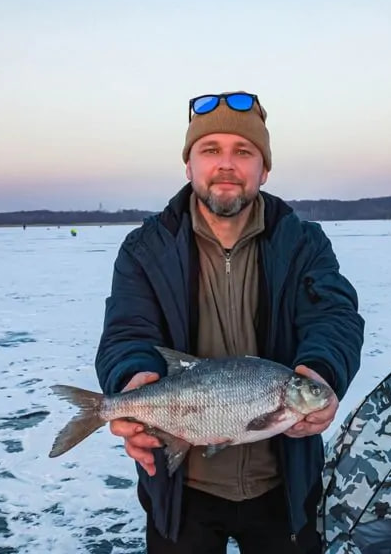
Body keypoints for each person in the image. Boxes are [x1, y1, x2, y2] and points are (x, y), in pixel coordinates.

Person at [93, 90, 364, 553]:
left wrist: (322, 372)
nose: (226, 164)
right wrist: (133, 379)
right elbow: (127, 333)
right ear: (188, 165)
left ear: (264, 168)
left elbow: (334, 316)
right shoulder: (146, 249)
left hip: (284, 486)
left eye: (243, 151)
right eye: (210, 150)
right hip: (181, 490)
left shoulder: (302, 242)